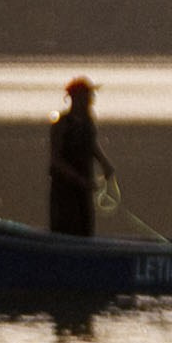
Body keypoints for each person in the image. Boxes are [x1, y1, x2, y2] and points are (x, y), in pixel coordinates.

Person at [46, 76, 114, 237]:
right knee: (64, 231)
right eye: (88, 96)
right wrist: (79, 180)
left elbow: (91, 145)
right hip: (64, 192)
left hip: (84, 189)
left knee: (85, 230)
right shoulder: (62, 124)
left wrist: (104, 163)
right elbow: (56, 160)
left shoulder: (88, 122)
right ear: (76, 98)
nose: (92, 100)